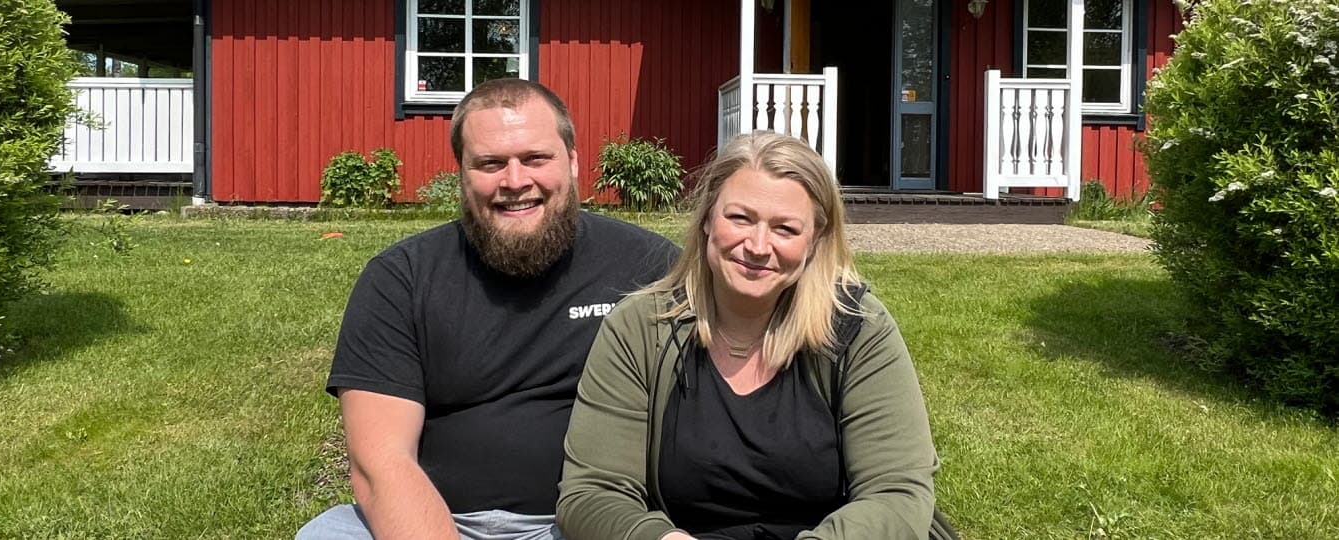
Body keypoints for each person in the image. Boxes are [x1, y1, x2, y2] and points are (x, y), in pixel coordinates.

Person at [297, 78, 679, 540]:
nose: (515, 182)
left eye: (536, 158)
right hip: (436, 520)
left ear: (574, 162)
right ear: (461, 172)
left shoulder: (650, 268)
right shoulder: (401, 279)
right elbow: (381, 463)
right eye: (491, 163)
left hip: (589, 523)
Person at [556, 131, 939, 540]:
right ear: (707, 219)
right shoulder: (640, 327)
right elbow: (592, 493)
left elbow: (897, 491)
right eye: (740, 218)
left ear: (815, 241)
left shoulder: (858, 329)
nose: (758, 246)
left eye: (785, 229)